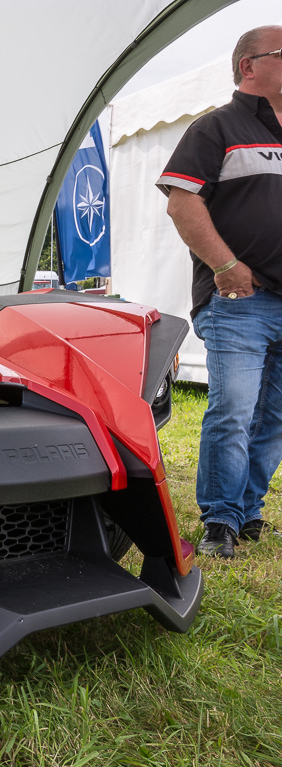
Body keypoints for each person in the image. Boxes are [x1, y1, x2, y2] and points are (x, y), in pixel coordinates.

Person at [157, 25, 282, 559]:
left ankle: (247, 512)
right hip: (240, 301)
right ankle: (219, 522)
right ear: (247, 66)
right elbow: (182, 203)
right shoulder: (216, 128)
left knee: (274, 415)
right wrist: (227, 266)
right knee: (233, 408)